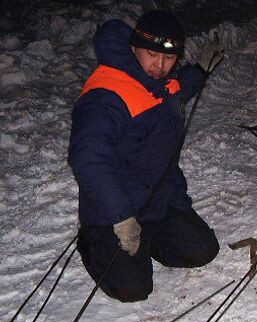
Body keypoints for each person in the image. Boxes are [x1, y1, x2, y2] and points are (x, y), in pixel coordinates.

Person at [68, 10, 222, 302]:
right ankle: (92, 242)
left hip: (156, 202)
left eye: (168, 58)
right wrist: (121, 217)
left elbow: (178, 87)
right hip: (113, 211)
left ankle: (144, 242)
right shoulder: (106, 94)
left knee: (202, 250)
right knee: (133, 289)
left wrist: (202, 68)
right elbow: (88, 159)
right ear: (134, 47)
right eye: (152, 55)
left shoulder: (160, 84)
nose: (159, 66)